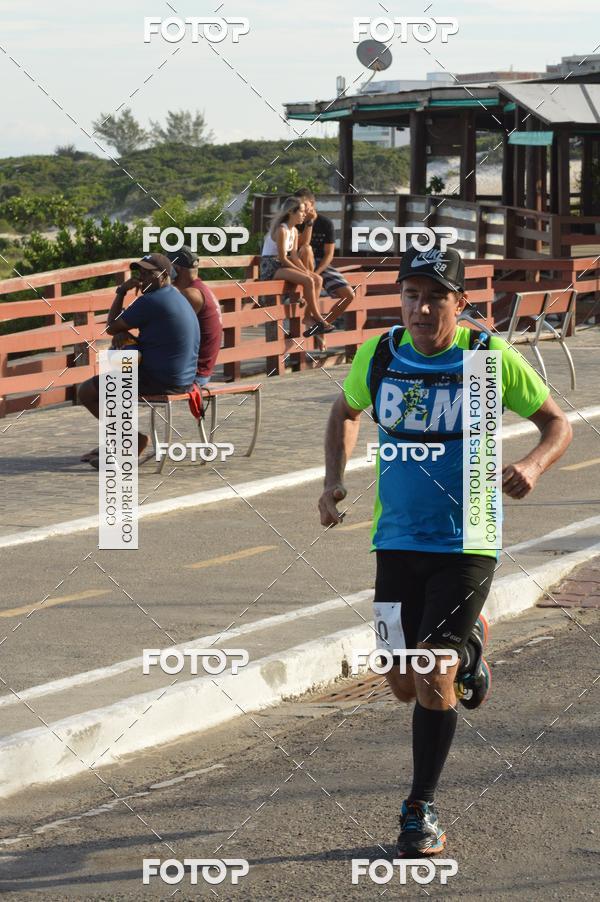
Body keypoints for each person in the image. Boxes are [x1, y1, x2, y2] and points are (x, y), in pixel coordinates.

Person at [318, 245, 572, 857]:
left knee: (433, 674)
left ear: (460, 303)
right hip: (395, 538)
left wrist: (534, 465)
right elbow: (344, 412)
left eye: (436, 296)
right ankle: (473, 643)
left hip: (468, 539)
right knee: (401, 681)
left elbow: (558, 424)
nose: (421, 307)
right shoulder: (380, 354)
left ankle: (418, 810)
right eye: (411, 294)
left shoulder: (488, 358)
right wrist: (332, 481)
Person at [78, 253, 200, 468]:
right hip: (185, 379)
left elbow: (111, 326)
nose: (141, 278)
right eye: (140, 273)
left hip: (162, 380)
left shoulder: (151, 300)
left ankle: (131, 442)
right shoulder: (176, 295)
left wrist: (121, 291)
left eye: (147, 273)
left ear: (163, 275)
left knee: (87, 390)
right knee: (119, 355)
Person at [260, 196, 334, 337]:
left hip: (281, 264)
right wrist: (304, 273)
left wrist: (306, 271)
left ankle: (308, 316)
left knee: (317, 279)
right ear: (291, 213)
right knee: (308, 280)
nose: (304, 215)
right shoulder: (282, 230)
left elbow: (293, 255)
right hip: (270, 266)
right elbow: (282, 257)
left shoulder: (293, 231)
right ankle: (319, 319)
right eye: (301, 212)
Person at [294, 188, 355, 326]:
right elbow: (301, 246)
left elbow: (329, 254)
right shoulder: (297, 220)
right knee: (307, 250)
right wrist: (309, 223)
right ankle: (310, 317)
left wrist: (317, 273)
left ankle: (322, 324)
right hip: (299, 261)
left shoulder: (325, 223)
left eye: (305, 205)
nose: (302, 209)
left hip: (320, 263)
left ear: (312, 203)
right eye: (298, 205)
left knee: (349, 295)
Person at [166, 246, 223, 386]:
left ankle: (116, 406)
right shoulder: (201, 289)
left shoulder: (191, 295)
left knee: (121, 364)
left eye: (167, 269)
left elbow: (166, 332)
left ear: (176, 270)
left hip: (193, 376)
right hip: (199, 371)